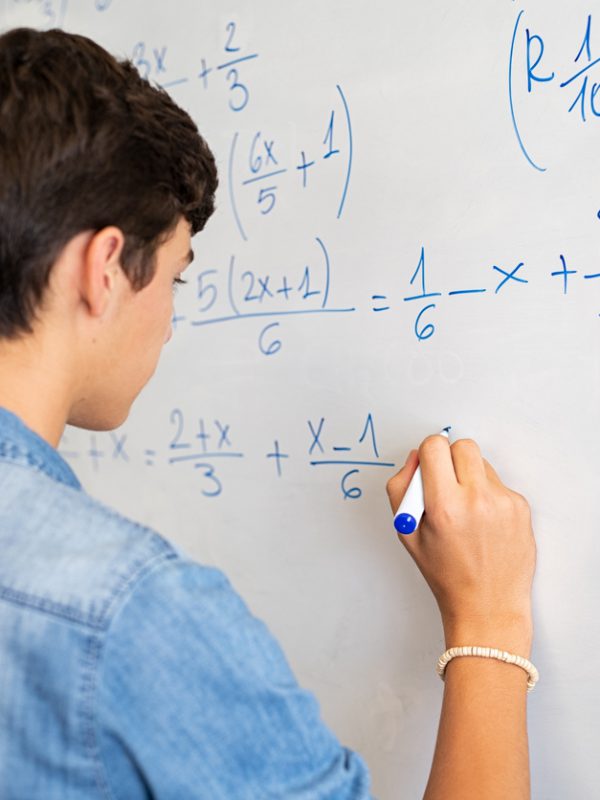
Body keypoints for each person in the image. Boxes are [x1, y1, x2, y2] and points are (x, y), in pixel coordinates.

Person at [0, 26, 537, 800]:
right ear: (104, 268)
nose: (172, 321)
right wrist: (490, 621)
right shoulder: (134, 613)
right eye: (178, 278)